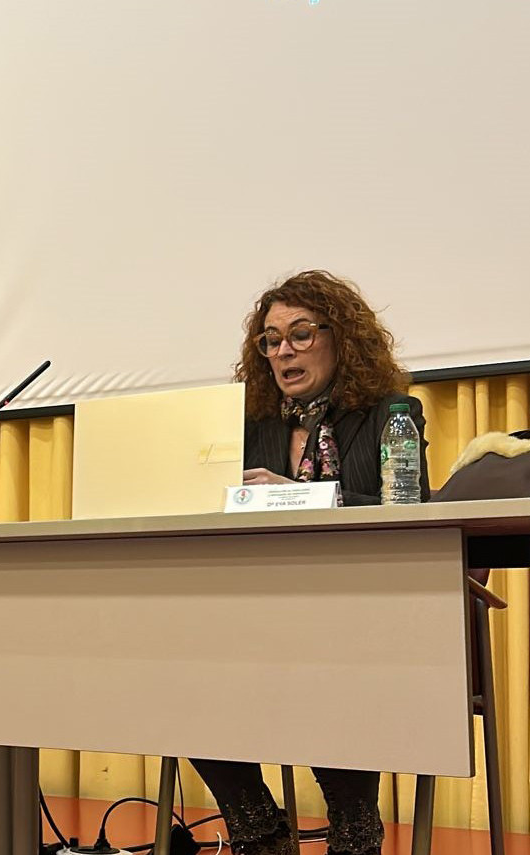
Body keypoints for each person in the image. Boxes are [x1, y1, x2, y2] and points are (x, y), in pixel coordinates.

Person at [191, 271, 430, 855]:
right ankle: (255, 822)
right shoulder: (253, 428)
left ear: (340, 338)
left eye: (300, 334)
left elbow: (411, 509)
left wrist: (296, 493)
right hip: (264, 606)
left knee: (326, 649)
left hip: (368, 609)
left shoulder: (389, 414)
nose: (283, 352)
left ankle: (353, 824)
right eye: (270, 341)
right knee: (180, 655)